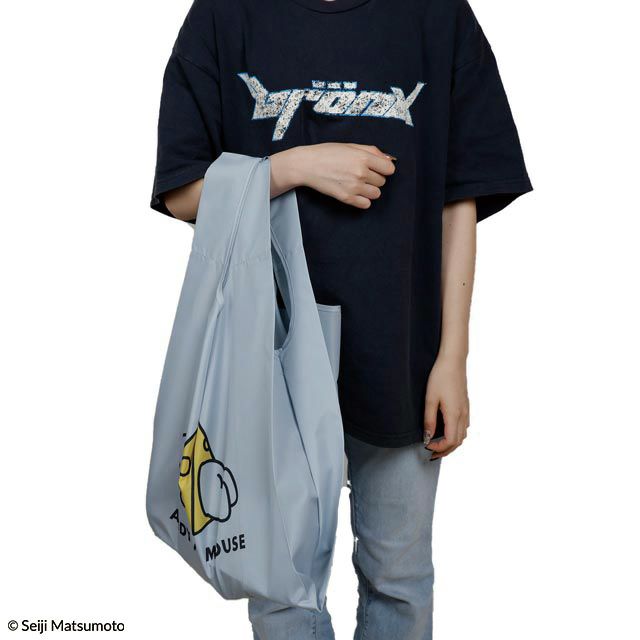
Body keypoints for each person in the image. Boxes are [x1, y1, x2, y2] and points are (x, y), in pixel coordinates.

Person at [150, 0, 532, 637]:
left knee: (399, 582)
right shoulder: (224, 15)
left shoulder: (436, 16)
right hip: (270, 357)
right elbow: (182, 190)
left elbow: (459, 199)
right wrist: (295, 167)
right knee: (283, 592)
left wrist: (453, 357)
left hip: (402, 352)